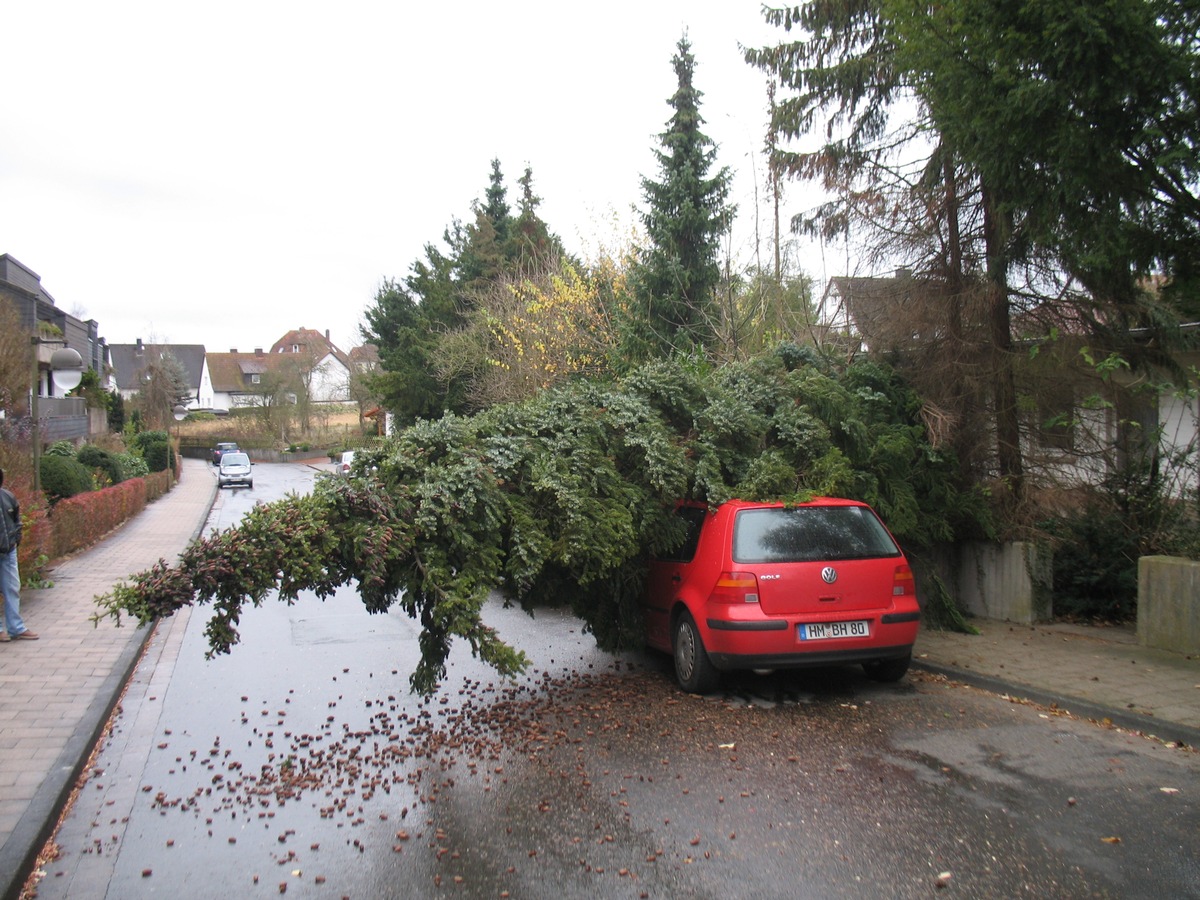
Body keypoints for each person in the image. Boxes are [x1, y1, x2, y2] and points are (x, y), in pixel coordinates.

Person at [0, 468, 38, 641]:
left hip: (8, 551)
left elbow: (17, 521)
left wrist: (16, 539)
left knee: (12, 588)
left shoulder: (8, 497)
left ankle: (16, 627)